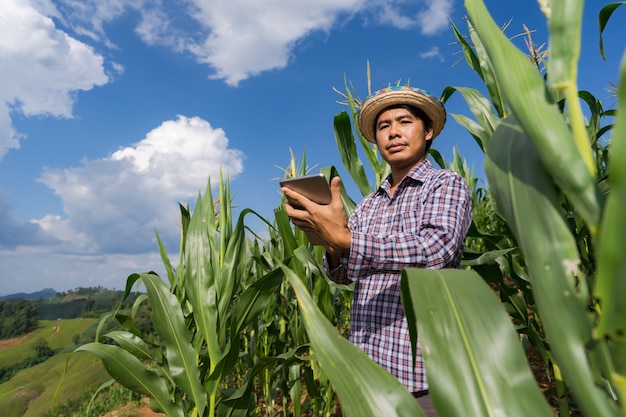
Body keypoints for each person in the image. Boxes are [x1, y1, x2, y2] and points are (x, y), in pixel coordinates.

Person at [282, 85, 472, 416]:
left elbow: (437, 248)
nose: (393, 132)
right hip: (365, 371)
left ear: (428, 132)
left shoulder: (445, 184)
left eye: (404, 122)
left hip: (423, 378)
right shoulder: (369, 204)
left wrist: (346, 240)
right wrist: (330, 242)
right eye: (384, 127)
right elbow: (344, 275)